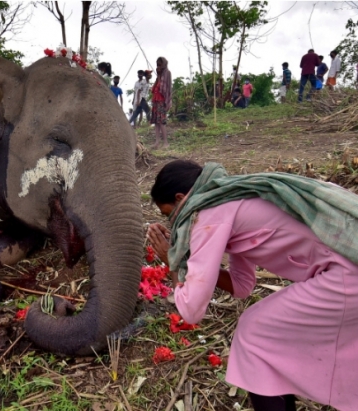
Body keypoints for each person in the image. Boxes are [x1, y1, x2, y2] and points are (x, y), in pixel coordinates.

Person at [146, 159, 358, 411]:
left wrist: (172, 262)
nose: (172, 223)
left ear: (182, 197)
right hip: (344, 265)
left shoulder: (208, 215)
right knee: (270, 339)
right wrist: (187, 257)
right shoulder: (232, 199)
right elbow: (242, 285)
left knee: (254, 334)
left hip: (346, 273)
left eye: (169, 214)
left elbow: (191, 311)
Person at [150, 57, 172, 149]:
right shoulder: (159, 76)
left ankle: (166, 143)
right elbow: (153, 89)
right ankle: (157, 142)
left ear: (164, 64)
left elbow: (167, 88)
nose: (158, 66)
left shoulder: (167, 73)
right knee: (156, 122)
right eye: (157, 64)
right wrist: (158, 75)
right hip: (155, 101)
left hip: (162, 101)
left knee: (162, 122)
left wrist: (169, 101)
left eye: (160, 64)